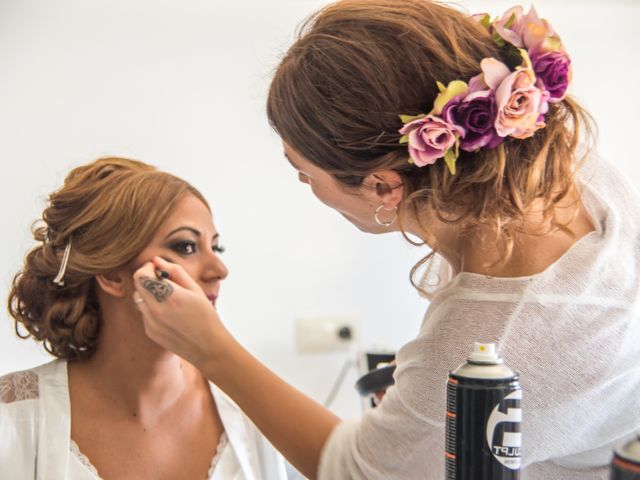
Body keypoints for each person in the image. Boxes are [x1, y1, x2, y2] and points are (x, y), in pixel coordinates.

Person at [131, 1, 640, 479]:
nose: (306, 188)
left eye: (305, 174)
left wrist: (211, 349)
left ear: (383, 185)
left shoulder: (485, 350)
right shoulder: (560, 171)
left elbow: (354, 472)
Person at [0, 157, 288, 479]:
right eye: (187, 246)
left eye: (216, 248)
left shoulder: (251, 413)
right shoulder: (13, 420)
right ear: (112, 274)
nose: (219, 271)